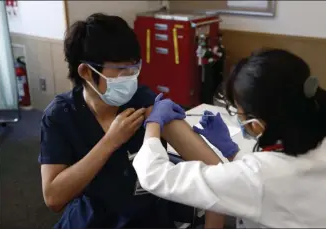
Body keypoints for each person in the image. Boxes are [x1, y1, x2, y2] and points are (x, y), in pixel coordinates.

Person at [133, 48, 326, 228]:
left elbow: (155, 176)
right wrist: (232, 151)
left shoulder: (259, 177)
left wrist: (154, 122)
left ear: (257, 123)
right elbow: (275, 183)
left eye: (238, 110)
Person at [39, 13, 225, 228]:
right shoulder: (61, 116)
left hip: (146, 219)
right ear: (86, 72)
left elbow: (217, 175)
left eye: (134, 67)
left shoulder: (147, 105)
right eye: (121, 70)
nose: (131, 77)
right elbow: (53, 198)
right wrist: (110, 142)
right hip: (91, 219)